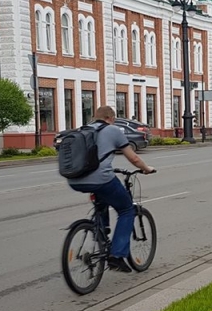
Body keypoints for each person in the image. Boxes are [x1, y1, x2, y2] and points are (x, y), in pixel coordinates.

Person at [66, 106, 155, 272]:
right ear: (111, 118)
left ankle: (100, 231)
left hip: (75, 180)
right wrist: (146, 168)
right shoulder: (113, 130)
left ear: (95, 117)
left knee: (102, 196)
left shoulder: (83, 130)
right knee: (126, 209)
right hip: (101, 179)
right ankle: (116, 255)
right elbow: (134, 158)